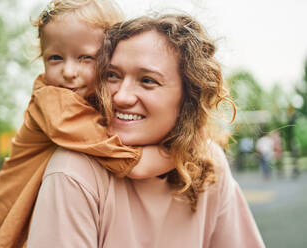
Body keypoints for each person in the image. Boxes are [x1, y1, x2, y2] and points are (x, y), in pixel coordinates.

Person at [28, 14, 265, 247]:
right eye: (113, 76)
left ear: (188, 97)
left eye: (148, 80)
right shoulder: (74, 172)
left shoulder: (209, 160)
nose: (121, 96)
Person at [0, 1, 174, 247]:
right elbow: (123, 157)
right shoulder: (52, 101)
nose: (69, 71)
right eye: (55, 58)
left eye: (85, 58)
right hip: (4, 224)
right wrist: (174, 154)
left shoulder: (97, 97)